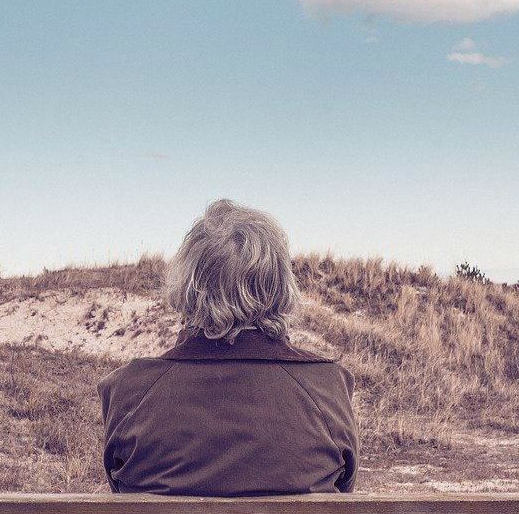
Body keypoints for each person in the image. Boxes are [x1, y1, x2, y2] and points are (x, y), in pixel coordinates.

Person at [97, 199, 358, 496]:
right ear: (280, 287)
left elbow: (119, 486)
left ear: (189, 288)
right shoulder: (327, 387)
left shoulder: (128, 392)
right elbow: (343, 488)